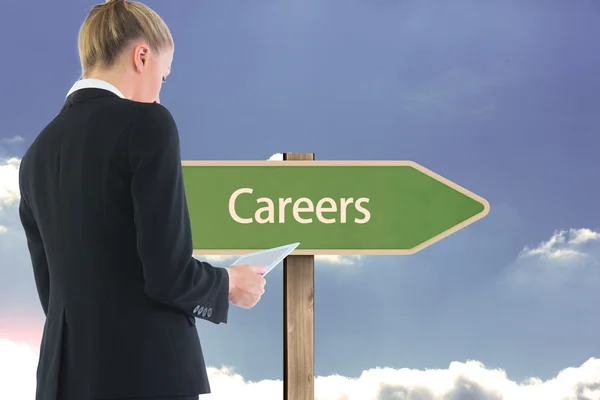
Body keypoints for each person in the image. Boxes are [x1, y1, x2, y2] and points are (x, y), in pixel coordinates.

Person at [17, 0, 267, 399]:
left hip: (62, 381)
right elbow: (167, 273)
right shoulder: (148, 124)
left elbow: (53, 295)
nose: (160, 95)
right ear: (142, 56)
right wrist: (228, 284)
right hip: (147, 377)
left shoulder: (35, 156)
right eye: (163, 77)